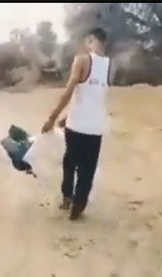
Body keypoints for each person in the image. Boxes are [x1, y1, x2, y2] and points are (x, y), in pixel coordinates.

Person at [41, 27, 112, 221]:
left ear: (91, 40)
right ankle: (79, 204)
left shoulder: (82, 60)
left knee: (70, 161)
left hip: (77, 124)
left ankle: (67, 197)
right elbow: (96, 95)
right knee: (88, 168)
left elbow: (69, 92)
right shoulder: (109, 65)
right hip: (96, 126)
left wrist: (53, 118)